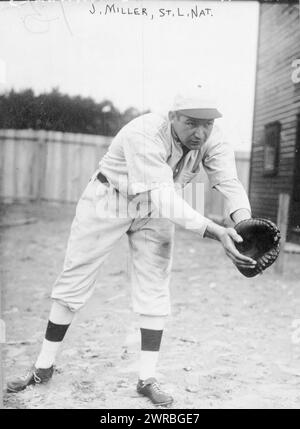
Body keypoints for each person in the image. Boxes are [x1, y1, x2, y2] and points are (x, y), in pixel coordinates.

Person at [7, 85, 256, 406]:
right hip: (109, 198)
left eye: (207, 123)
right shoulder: (145, 133)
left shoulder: (214, 138)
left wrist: (245, 224)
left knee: (155, 287)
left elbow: (229, 183)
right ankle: (43, 366)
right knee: (74, 280)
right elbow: (165, 198)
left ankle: (147, 378)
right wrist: (216, 231)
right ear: (172, 117)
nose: (200, 131)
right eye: (191, 122)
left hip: (154, 209)